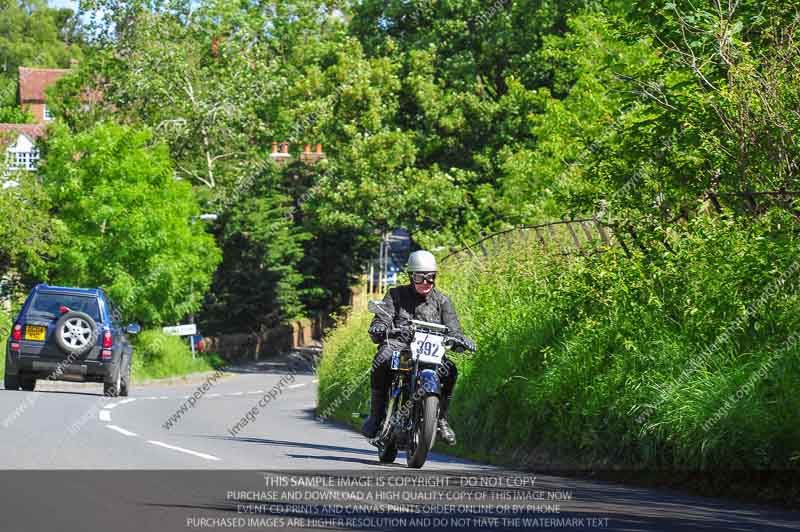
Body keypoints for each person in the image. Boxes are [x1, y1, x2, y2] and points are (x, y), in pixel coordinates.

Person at [362, 250, 476, 445]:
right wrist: (380, 325)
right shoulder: (396, 294)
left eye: (430, 278)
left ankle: (440, 420)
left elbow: (454, 329)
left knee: (450, 371)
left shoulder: (443, 301)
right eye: (419, 277)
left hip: (430, 351)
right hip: (401, 347)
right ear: (411, 276)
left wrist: (461, 339)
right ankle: (376, 415)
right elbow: (384, 316)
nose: (425, 282)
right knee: (382, 359)